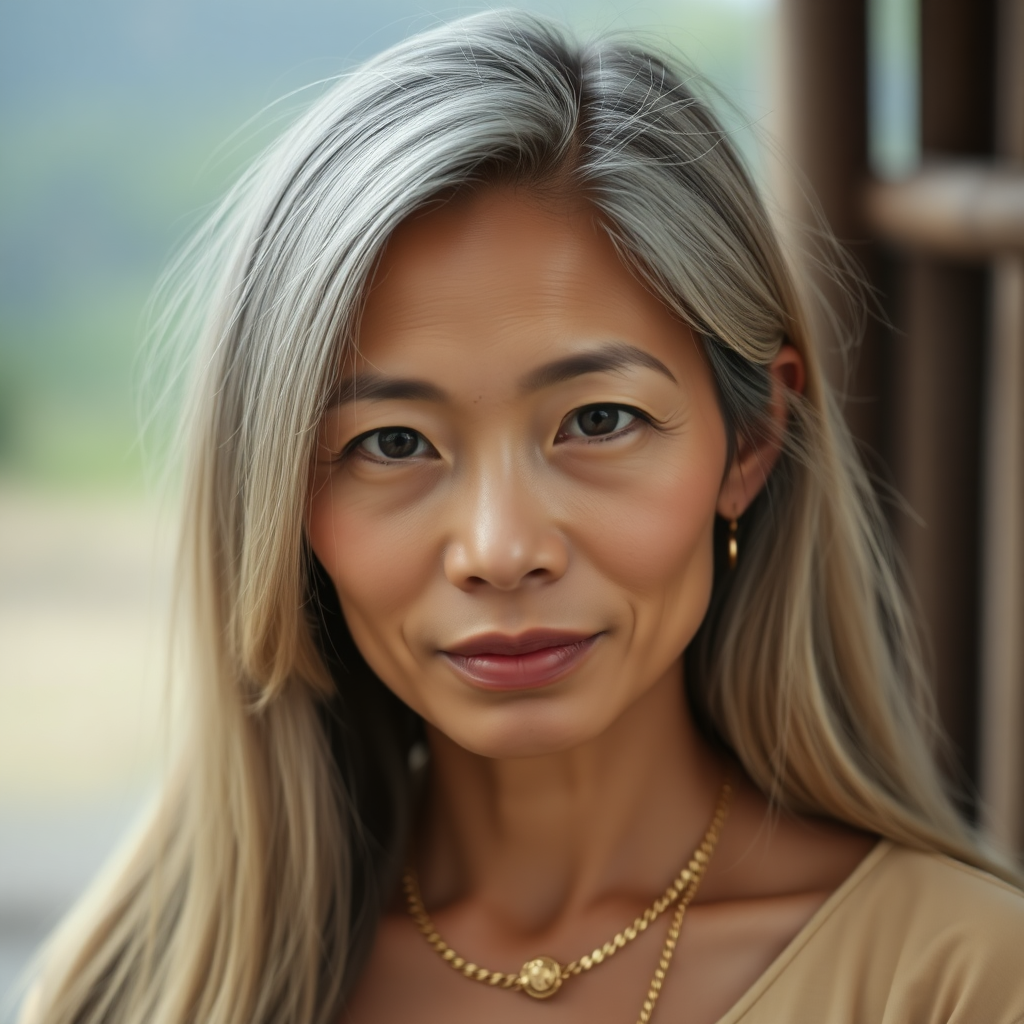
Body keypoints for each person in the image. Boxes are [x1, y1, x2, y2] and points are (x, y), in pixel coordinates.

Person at [23, 11, 1024, 1024]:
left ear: (752, 439)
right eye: (393, 442)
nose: (501, 551)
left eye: (598, 420)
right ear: (282, 499)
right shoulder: (134, 991)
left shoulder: (961, 981)